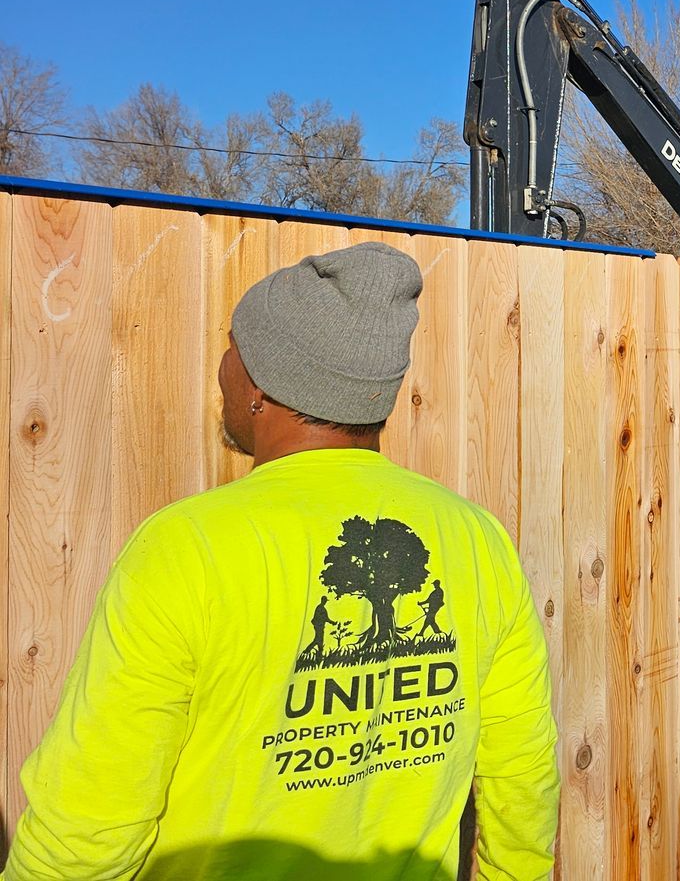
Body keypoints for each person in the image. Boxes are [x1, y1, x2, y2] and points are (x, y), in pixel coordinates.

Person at [3, 242, 559, 881]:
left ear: (264, 382)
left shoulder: (186, 550)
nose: (222, 366)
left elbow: (87, 826)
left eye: (234, 347)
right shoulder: (476, 541)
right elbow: (523, 774)